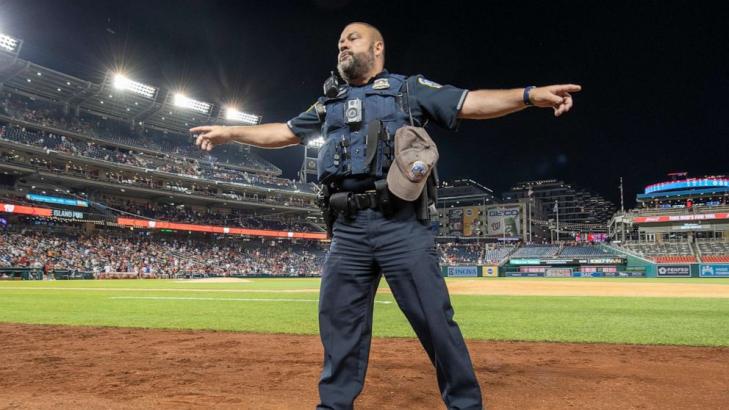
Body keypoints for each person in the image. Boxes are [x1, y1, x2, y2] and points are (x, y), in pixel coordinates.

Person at [191, 22, 581, 410]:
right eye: (339, 42)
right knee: (339, 324)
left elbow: (470, 102)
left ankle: (464, 404)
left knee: (434, 321)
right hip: (347, 231)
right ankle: (334, 405)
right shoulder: (329, 102)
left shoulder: (407, 89)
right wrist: (230, 132)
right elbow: (283, 132)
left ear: (377, 48)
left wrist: (530, 95)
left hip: (401, 225)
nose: (342, 44)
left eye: (351, 38)